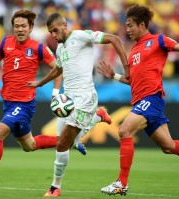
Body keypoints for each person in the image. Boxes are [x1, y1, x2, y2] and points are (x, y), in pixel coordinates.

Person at [97, 4, 179, 196]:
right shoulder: (134, 51)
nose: (128, 29)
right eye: (126, 26)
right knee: (169, 147)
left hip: (152, 99)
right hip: (142, 101)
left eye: (130, 25)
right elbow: (132, 81)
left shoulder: (159, 40)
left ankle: (121, 184)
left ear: (142, 24)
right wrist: (113, 75)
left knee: (124, 130)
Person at [0, 9, 86, 192]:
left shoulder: (38, 47)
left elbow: (58, 69)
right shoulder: (6, 43)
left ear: (30, 28)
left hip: (24, 104)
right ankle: (69, 140)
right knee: (30, 145)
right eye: (16, 26)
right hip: (9, 103)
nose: (19, 29)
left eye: (23, 26)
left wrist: (54, 93)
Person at [27, 13, 129, 197]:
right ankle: (98, 116)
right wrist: (39, 83)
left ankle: (55, 187)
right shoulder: (60, 49)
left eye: (56, 30)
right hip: (69, 99)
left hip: (84, 98)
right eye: (51, 32)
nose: (54, 35)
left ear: (64, 25)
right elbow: (58, 70)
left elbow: (114, 38)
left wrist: (127, 68)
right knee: (62, 140)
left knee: (62, 143)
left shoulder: (81, 36)